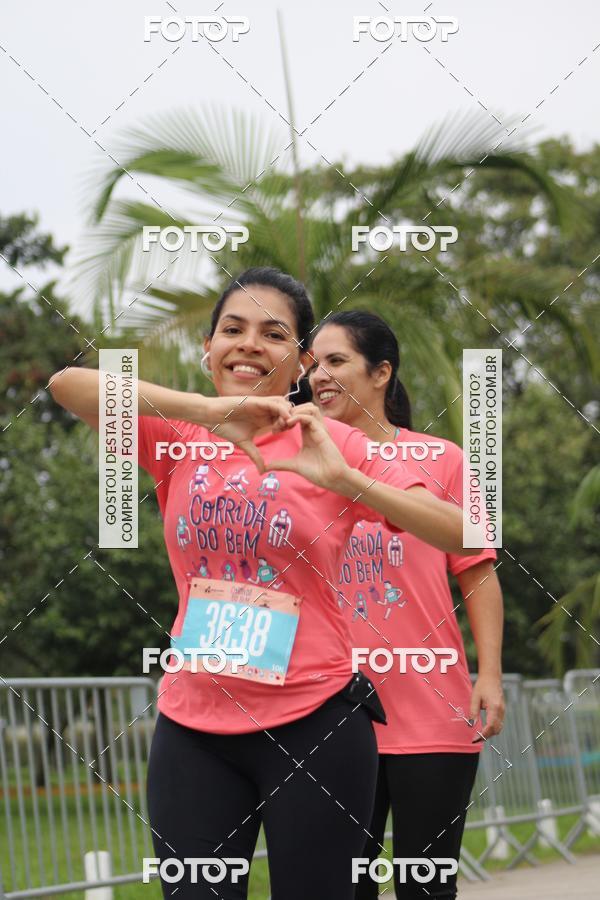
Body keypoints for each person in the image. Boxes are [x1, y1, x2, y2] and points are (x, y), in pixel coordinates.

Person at [50, 269, 476, 900]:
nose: (249, 343)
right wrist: (211, 412)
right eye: (233, 329)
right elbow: (68, 386)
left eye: (274, 334)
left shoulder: (333, 441)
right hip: (194, 726)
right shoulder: (177, 435)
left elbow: (463, 531)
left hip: (316, 724)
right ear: (209, 346)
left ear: (301, 361)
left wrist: (347, 481)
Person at [309, 310, 505, 900]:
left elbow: (478, 573)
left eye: (336, 361)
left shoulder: (443, 459)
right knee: (343, 887)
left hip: (432, 710)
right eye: (313, 364)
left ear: (381, 372)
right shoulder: (297, 460)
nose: (319, 375)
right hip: (330, 712)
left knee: (426, 887)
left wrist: (490, 675)